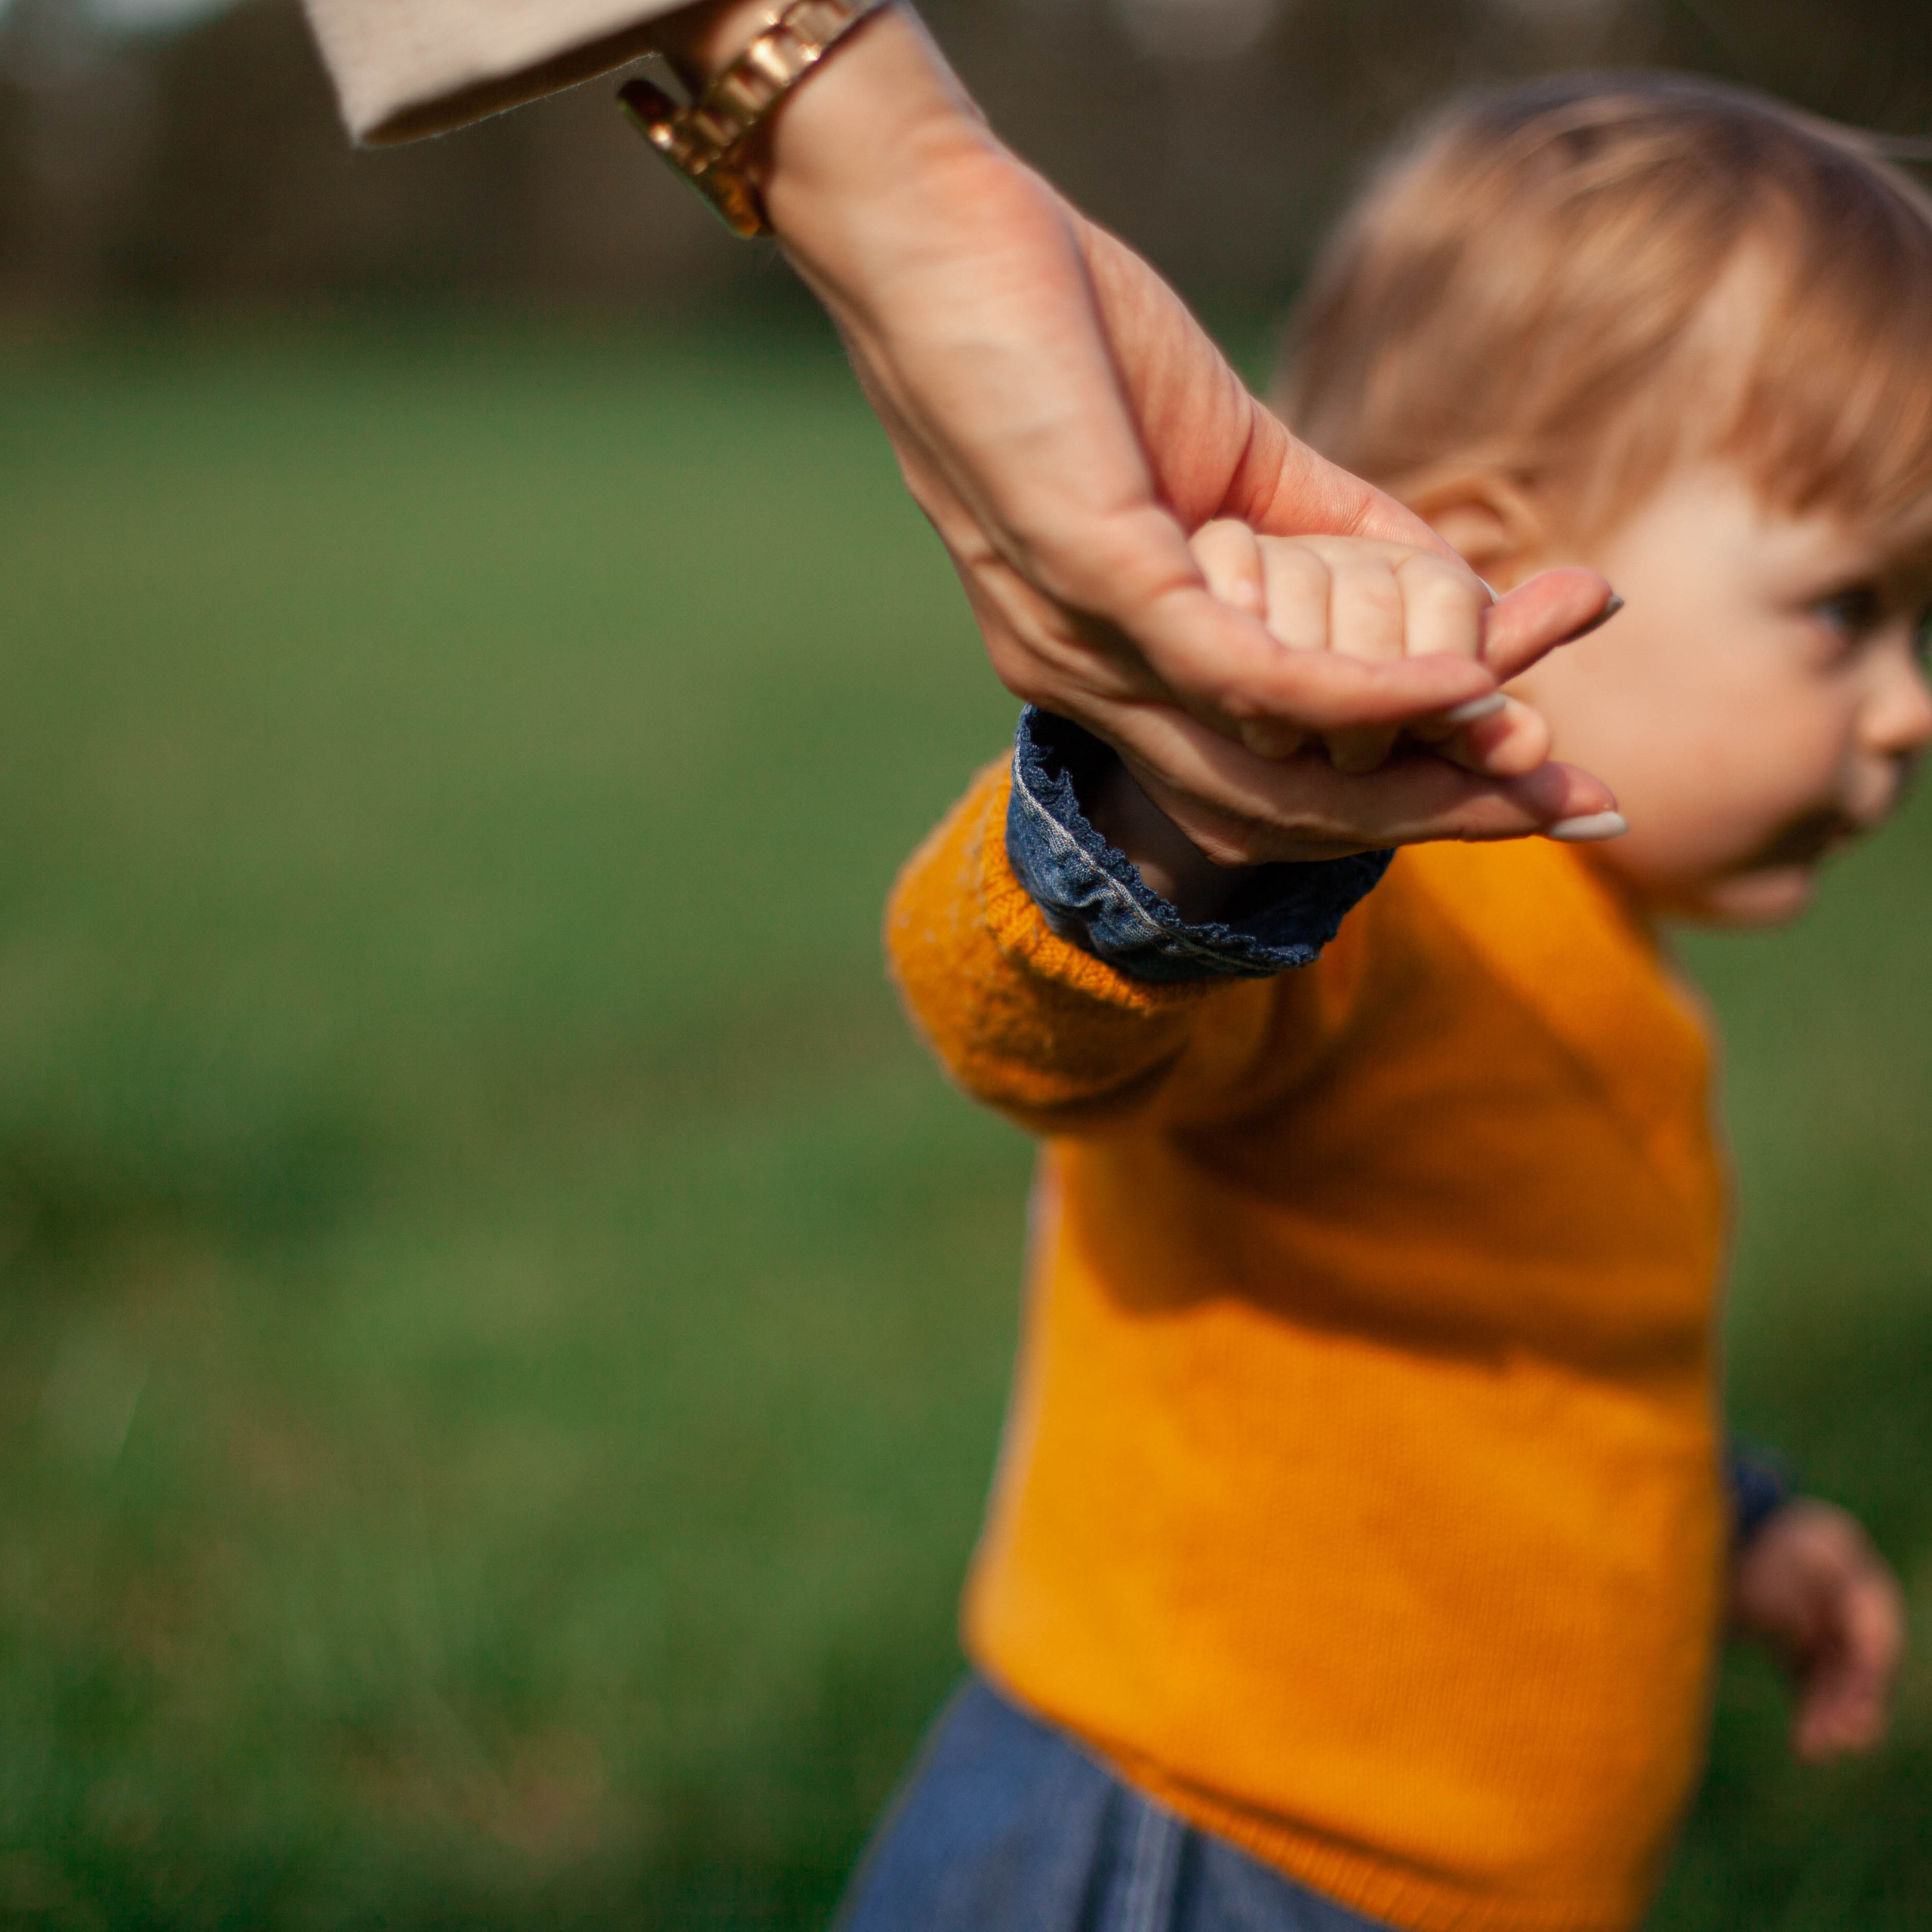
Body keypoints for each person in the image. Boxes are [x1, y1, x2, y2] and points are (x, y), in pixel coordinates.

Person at [860, 73, 1921, 1932]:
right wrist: (1188, 810)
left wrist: (1736, 1522)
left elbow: (1517, 1339)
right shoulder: (1365, 905)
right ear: (1490, 569)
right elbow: (1011, 1018)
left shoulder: (1594, 954)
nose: (1907, 705)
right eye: (1844, 612)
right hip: (1191, 1849)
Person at [295, 0, 1620, 867]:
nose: (1845, 724)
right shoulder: (1420, 906)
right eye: (1831, 611)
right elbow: (1023, 1006)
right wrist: (1164, 831)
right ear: (1501, 536)